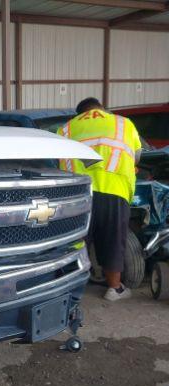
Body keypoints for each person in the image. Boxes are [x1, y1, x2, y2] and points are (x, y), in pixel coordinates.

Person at [58, 97, 142, 301]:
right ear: (102, 109)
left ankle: (70, 289)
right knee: (113, 239)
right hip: (115, 189)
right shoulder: (123, 123)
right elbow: (137, 156)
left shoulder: (66, 129)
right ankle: (114, 288)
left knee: (77, 241)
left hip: (78, 193)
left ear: (79, 114)